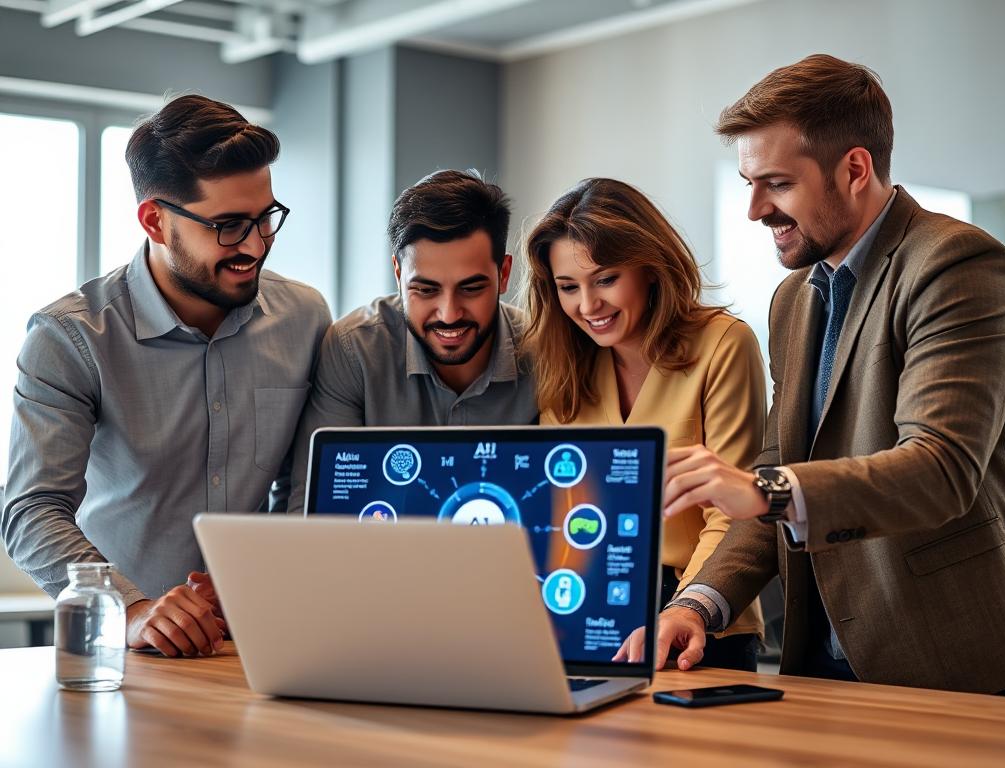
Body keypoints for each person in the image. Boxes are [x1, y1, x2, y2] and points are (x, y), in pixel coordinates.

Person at [628, 54, 1005, 695]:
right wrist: (697, 603)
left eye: (777, 184)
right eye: (748, 182)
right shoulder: (793, 299)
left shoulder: (957, 264)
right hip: (819, 671)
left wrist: (765, 490)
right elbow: (779, 471)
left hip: (950, 669)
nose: (755, 209)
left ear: (855, 169)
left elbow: (940, 469)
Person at [2, 95, 332, 658]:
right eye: (229, 226)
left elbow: (304, 491)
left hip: (252, 646)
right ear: (155, 220)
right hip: (116, 655)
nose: (254, 246)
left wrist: (264, 579)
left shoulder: (304, 318)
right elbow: (31, 510)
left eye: (265, 218)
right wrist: (128, 609)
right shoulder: (69, 338)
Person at [523, 177, 766, 671]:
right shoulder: (563, 361)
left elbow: (735, 510)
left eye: (606, 279)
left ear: (650, 268)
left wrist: (686, 606)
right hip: (588, 603)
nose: (588, 306)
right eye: (568, 287)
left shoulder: (724, 344)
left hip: (699, 609)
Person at [287, 170, 536, 512]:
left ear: (504, 274)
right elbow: (315, 512)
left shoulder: (544, 352)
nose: (449, 314)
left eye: (471, 288)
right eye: (425, 289)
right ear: (398, 274)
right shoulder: (353, 350)